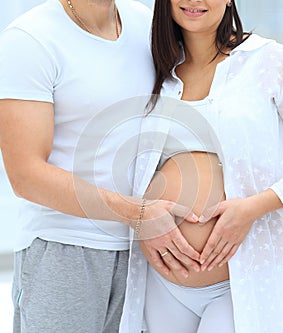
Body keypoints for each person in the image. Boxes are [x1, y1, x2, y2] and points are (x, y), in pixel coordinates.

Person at [0, 0, 202, 332]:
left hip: (145, 253)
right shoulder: (29, 39)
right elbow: (26, 176)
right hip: (64, 250)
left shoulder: (149, 24)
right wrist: (137, 212)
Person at [120, 0, 283, 332]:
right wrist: (141, 216)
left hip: (243, 281)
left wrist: (252, 208)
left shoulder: (272, 61)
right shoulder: (149, 71)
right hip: (159, 284)